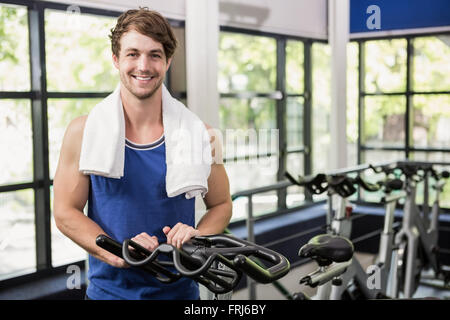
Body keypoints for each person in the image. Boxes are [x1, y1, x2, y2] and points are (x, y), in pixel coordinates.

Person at [53, 8, 232, 300]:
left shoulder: (202, 134)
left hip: (182, 294)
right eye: (133, 54)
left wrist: (197, 238)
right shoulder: (82, 132)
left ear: (168, 61)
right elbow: (65, 212)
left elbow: (222, 203)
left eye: (155, 55)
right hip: (108, 295)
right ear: (116, 59)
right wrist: (116, 251)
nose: (144, 65)